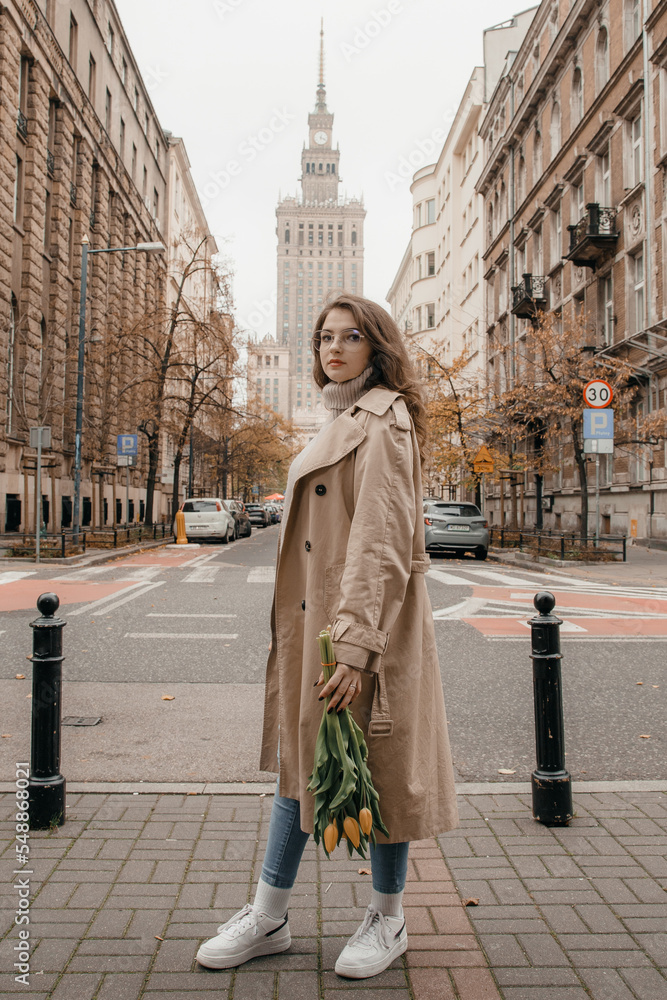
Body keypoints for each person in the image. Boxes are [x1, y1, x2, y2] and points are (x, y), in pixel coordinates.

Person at [197, 294, 458, 980]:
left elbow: (379, 542)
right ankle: (269, 914)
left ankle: (388, 916)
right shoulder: (340, 416)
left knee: (381, 772)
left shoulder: (385, 419)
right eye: (322, 338)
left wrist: (354, 644)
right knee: (303, 762)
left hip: (361, 626)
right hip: (320, 622)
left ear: (376, 346)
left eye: (349, 337)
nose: (332, 348)